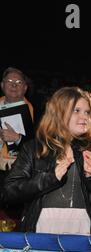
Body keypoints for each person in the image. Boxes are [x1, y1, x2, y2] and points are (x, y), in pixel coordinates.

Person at [3, 87, 91, 235]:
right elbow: (9, 192)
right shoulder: (34, 148)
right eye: (76, 110)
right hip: (43, 226)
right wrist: (51, 177)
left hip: (84, 228)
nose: (84, 117)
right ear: (59, 112)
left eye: (87, 112)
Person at [0, 67, 35, 222]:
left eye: (18, 82)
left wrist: (18, 138)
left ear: (25, 88)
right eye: (10, 81)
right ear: (2, 85)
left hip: (21, 173)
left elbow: (39, 147)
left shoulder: (37, 111)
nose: (14, 85)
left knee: (15, 219)